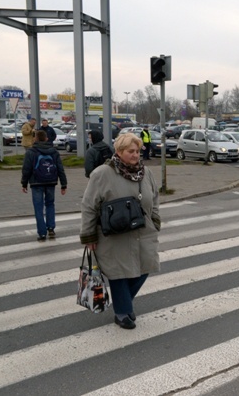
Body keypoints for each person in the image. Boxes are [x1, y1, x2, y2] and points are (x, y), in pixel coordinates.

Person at [80, 133, 161, 330]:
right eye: (130, 151)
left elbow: (155, 197)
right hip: (113, 235)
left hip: (143, 231)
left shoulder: (145, 172)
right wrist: (89, 235)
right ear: (119, 152)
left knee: (144, 268)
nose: (135, 155)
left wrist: (156, 219)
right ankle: (122, 312)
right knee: (119, 273)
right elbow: (89, 205)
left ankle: (123, 303)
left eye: (137, 151)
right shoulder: (102, 174)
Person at [21, 130, 68, 241]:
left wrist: (24, 183)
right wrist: (63, 184)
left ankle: (42, 233)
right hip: (51, 181)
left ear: (35, 139)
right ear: (46, 139)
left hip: (36, 182)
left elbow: (26, 169)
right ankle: (51, 228)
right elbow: (60, 168)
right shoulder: (54, 152)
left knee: (38, 207)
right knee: (50, 204)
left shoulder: (31, 152)